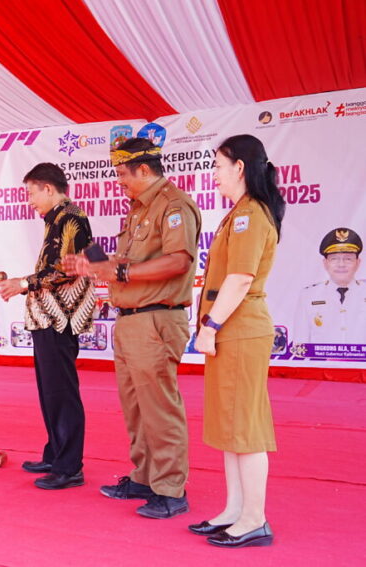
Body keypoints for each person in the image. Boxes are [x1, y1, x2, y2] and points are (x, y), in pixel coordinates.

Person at [64, 137, 201, 518]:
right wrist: (95, 265)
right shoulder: (139, 209)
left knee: (159, 407)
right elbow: (132, 264)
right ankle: (144, 478)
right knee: (136, 407)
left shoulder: (173, 206)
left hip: (156, 320)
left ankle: (171, 490)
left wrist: (120, 270)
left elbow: (178, 261)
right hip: (130, 321)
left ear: (144, 169)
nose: (119, 182)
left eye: (123, 174)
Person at [191, 134, 285, 548]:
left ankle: (254, 518)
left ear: (240, 167)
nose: (213, 174)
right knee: (231, 425)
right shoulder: (240, 214)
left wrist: (210, 326)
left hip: (239, 329)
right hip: (232, 328)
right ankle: (234, 510)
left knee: (244, 428)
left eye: (217, 166)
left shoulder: (250, 216)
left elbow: (241, 278)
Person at [0, 162, 95, 490]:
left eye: (31, 193)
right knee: (49, 392)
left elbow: (68, 270)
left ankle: (70, 466)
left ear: (48, 189)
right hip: (48, 318)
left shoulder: (72, 218)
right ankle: (55, 454)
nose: (29, 200)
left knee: (61, 393)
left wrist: (24, 283)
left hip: (61, 318)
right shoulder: (57, 220)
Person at [292, 228, 365, 345]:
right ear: (325, 263)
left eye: (348, 259)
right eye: (334, 259)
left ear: (358, 262)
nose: (341, 264)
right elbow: (300, 343)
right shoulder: (308, 296)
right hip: (322, 363)